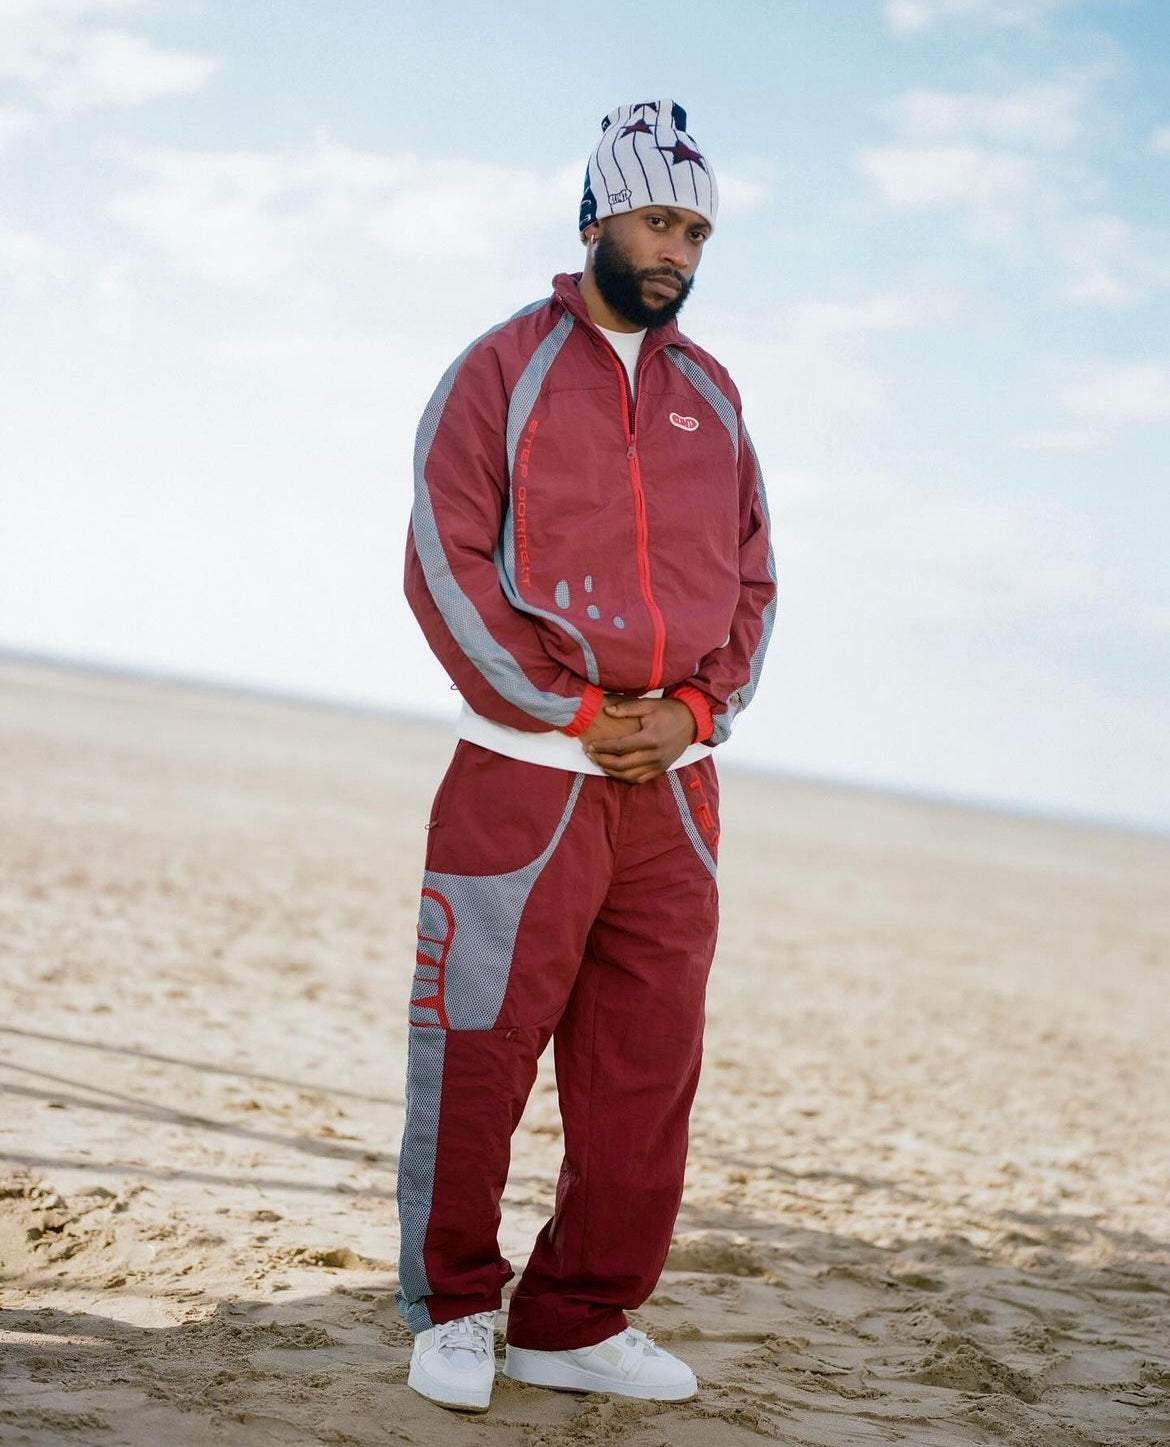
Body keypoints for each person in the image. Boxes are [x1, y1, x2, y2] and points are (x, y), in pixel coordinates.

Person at [396, 98, 776, 1413]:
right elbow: (443, 561)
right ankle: (454, 1308)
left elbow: (754, 578)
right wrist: (566, 710)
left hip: (672, 791)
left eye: (696, 233)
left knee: (644, 1067)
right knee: (478, 1048)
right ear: (596, 218)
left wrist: (697, 714)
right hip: (522, 773)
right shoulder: (498, 369)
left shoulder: (711, 394)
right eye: (658, 221)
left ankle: (575, 1320)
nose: (677, 250)